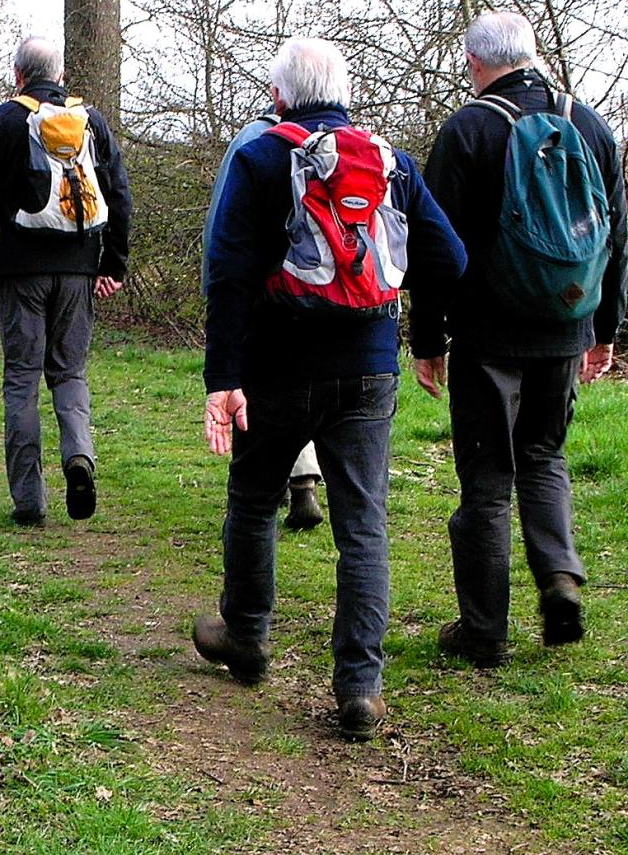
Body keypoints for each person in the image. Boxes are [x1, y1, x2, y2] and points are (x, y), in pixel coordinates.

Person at [194, 37, 466, 740]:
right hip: (369, 368)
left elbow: (226, 274)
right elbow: (451, 257)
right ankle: (359, 687)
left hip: (275, 365)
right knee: (363, 527)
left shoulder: (260, 156)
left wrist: (224, 378)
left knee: (254, 503)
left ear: (280, 96)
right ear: (346, 94)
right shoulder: (390, 164)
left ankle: (248, 639)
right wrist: (393, 298)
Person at [410, 11, 628, 668]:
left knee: (485, 479)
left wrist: (427, 339)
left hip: (487, 337)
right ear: (531, 55)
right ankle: (558, 576)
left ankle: (484, 631)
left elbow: (435, 249)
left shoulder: (468, 130)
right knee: (544, 455)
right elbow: (615, 236)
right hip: (565, 328)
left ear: (475, 64)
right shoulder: (588, 123)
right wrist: (603, 330)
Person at [0, 35, 133, 525]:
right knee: (70, 373)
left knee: (22, 379)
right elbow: (118, 194)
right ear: (60, 77)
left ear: (18, 75)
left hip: (18, 269)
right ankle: (78, 455)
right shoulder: (90, 122)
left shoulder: (4, 120)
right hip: (78, 269)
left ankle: (30, 501)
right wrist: (113, 264)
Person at [210, 108, 326, 532]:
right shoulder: (347, 145)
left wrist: (219, 295)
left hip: (270, 304)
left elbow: (221, 228)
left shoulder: (255, 143)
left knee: (262, 401)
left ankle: (276, 490)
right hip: (338, 305)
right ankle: (305, 483)